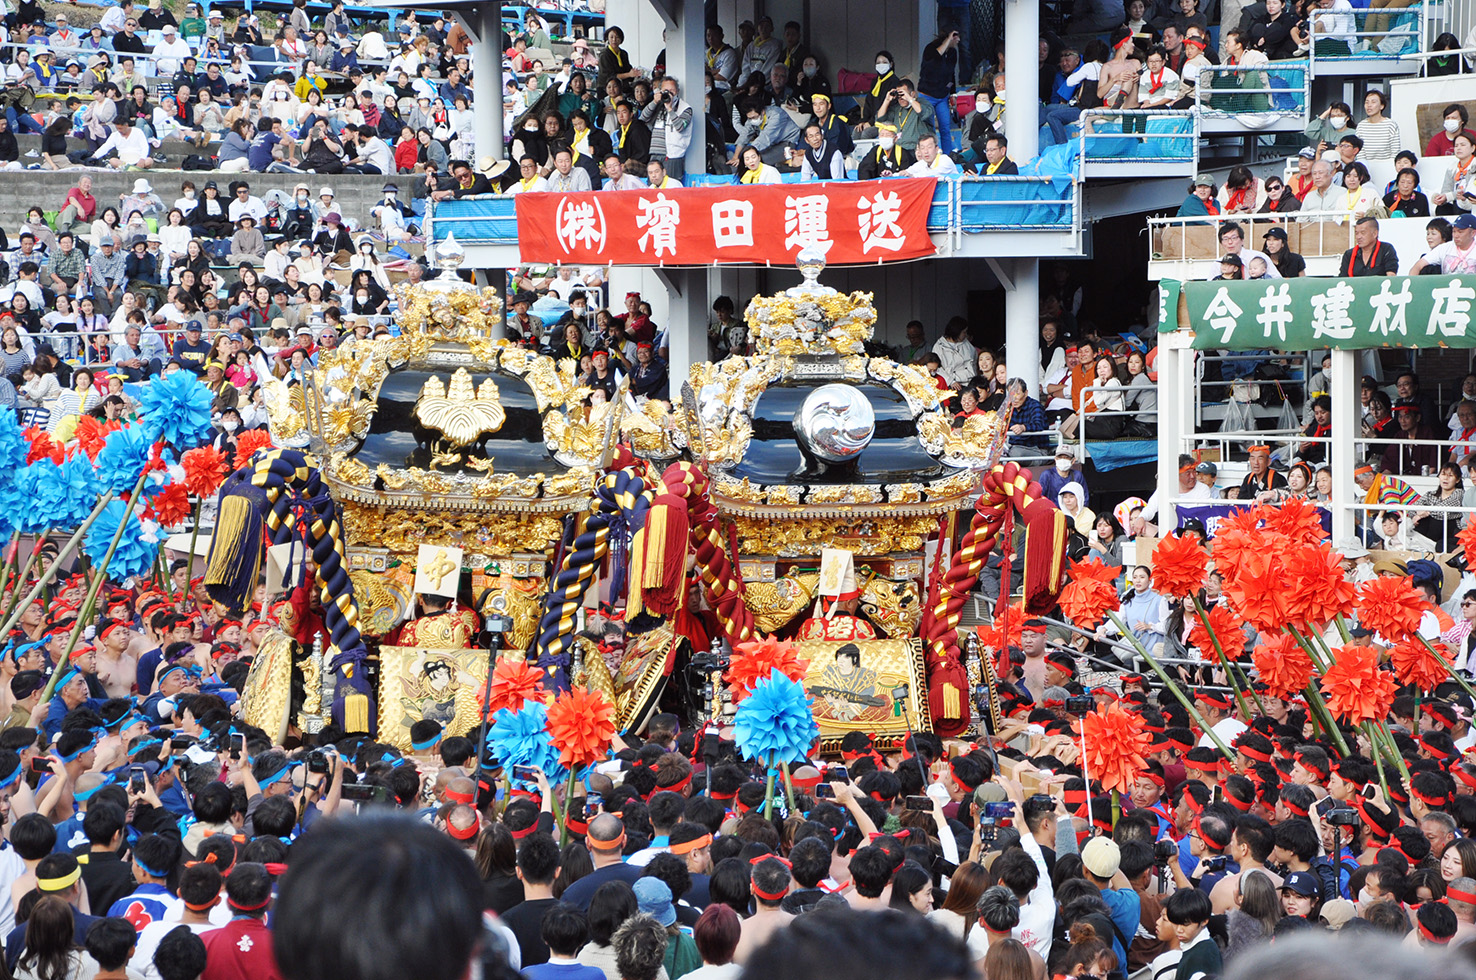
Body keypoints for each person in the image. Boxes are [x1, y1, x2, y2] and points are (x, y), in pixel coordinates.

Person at [1410, 213, 1476, 275]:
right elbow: (1418, 265)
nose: (1456, 235)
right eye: (1454, 231)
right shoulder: (1445, 248)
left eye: (1460, 232)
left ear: (1473, 233)